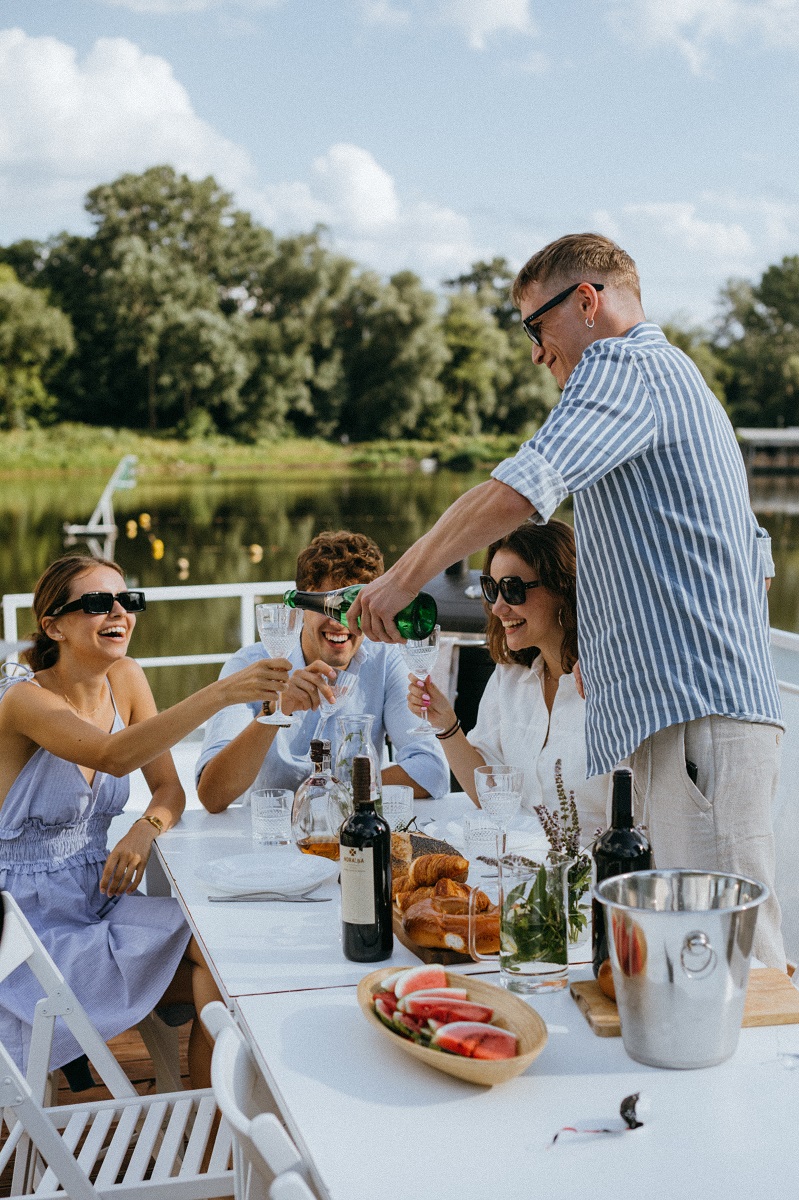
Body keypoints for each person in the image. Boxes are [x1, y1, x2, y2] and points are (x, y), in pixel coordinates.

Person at [350, 232, 786, 970]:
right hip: (685, 712)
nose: (535, 353)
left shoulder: (623, 363)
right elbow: (755, 562)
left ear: (586, 302)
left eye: (534, 326)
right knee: (685, 952)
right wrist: (614, 655)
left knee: (723, 954)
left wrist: (401, 579)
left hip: (696, 716)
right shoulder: (674, 380)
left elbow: (519, 489)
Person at [0, 553, 289, 1084]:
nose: (118, 612)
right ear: (53, 626)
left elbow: (169, 790)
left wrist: (144, 828)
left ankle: (211, 1120)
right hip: (27, 922)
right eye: (95, 603)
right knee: (214, 968)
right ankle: (206, 1118)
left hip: (100, 892)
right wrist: (223, 692)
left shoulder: (127, 678)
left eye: (126, 600)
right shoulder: (23, 701)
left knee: (219, 948)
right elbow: (111, 756)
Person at [196, 531, 449, 811]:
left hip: (349, 833)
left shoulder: (386, 660)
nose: (341, 623)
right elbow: (213, 795)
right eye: (329, 607)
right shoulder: (247, 665)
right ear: (303, 606)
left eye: (355, 609)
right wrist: (276, 709)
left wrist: (331, 796)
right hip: (270, 837)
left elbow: (432, 771)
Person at [408, 519, 608, 838]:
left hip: (594, 876)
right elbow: (488, 794)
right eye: (491, 588)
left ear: (563, 587)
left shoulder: (611, 686)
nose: (498, 607)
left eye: (513, 589)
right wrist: (445, 724)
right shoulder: (510, 677)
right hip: (521, 868)